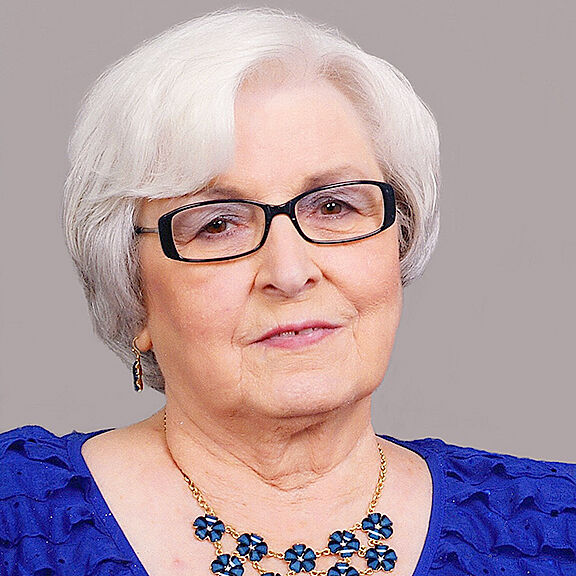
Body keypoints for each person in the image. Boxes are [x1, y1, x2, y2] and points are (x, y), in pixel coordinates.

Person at [1, 8, 574, 576]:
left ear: (398, 244)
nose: (291, 271)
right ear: (132, 292)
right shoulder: (18, 520)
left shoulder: (554, 526)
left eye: (335, 206)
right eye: (217, 224)